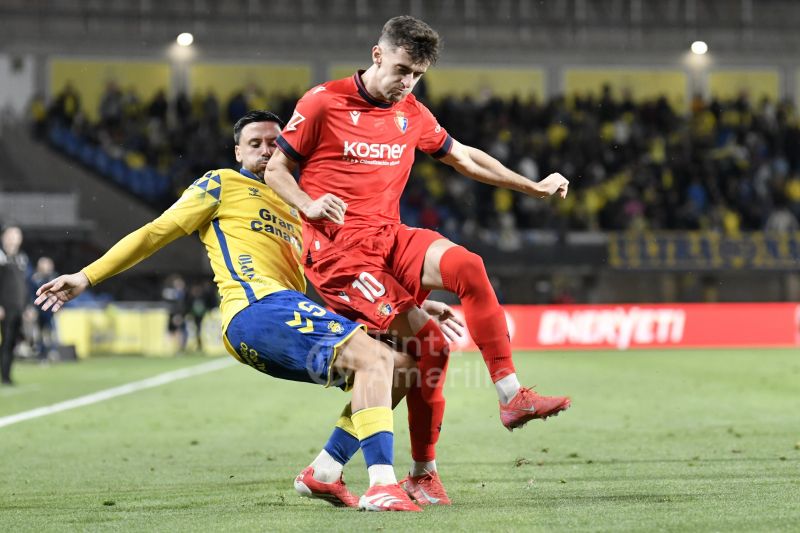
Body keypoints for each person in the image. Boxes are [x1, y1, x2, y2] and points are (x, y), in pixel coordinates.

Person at [34, 110, 432, 512]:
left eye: (274, 143)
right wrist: (87, 276)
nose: (265, 150)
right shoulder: (223, 183)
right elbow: (156, 231)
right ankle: (382, 484)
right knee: (378, 359)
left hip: (285, 314)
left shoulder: (300, 204)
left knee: (400, 367)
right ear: (237, 151)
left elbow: (334, 275)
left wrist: (399, 302)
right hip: (255, 309)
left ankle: (325, 472)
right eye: (255, 143)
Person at [264, 15, 572, 505]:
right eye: (402, 69)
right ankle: (389, 475)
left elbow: (464, 157)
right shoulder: (323, 101)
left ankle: (509, 397)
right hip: (340, 255)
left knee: (468, 267)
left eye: (418, 76)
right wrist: (307, 204)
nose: (406, 83)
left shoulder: (412, 112)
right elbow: (276, 168)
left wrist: (531, 187)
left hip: (389, 237)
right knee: (418, 353)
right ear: (377, 54)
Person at [1, 225, 32, 385]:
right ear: (4, 236)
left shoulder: (21, 258)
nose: (15, 238)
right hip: (4, 307)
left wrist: (27, 306)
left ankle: (6, 375)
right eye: (12, 235)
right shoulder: (1, 256)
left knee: (12, 342)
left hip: (17, 307)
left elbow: (24, 285)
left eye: (17, 235)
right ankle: (4, 376)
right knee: (5, 342)